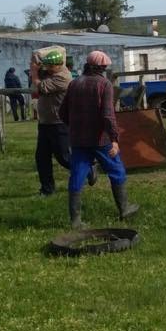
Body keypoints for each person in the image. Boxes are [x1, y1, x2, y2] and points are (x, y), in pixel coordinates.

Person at [59, 50, 139, 228]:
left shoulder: (74, 84)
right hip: (101, 139)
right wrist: (115, 139)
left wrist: (75, 127)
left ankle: (75, 220)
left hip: (78, 139)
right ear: (102, 68)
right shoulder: (104, 84)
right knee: (116, 170)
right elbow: (108, 115)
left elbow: (62, 113)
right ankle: (124, 209)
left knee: (77, 175)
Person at [30, 49, 73, 196]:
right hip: (45, 123)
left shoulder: (63, 77)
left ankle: (86, 169)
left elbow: (39, 87)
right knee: (42, 158)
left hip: (59, 123)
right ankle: (47, 189)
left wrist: (34, 72)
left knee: (63, 157)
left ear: (59, 65)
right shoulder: (52, 73)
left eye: (49, 66)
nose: (46, 69)